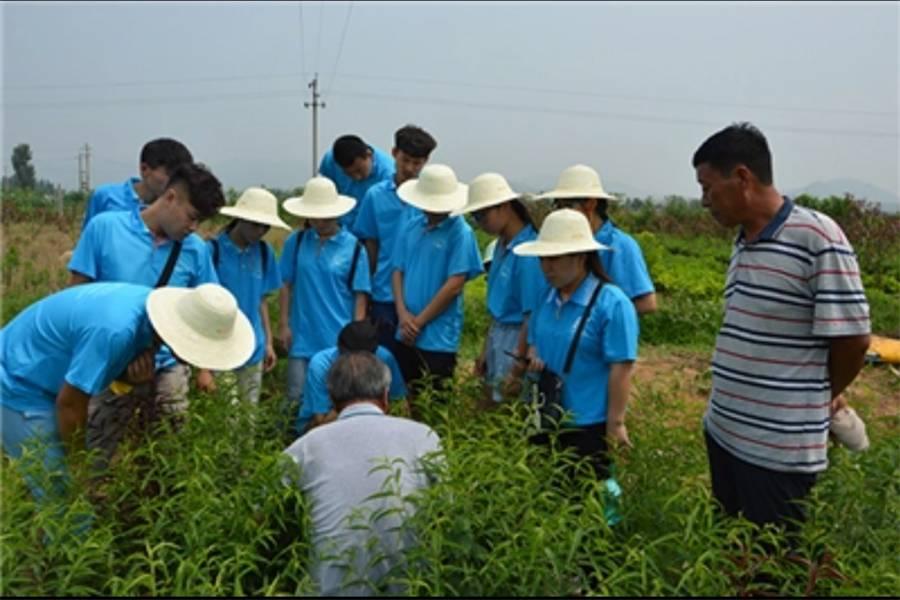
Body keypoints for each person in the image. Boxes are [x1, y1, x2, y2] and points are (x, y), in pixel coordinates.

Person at [692, 122, 871, 534]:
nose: (704, 201)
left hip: (776, 450)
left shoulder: (817, 237)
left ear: (742, 178)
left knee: (776, 568)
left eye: (708, 188)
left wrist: (816, 396)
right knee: (734, 551)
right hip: (724, 430)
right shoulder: (743, 240)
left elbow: (853, 340)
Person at [0, 282, 254, 508]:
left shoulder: (148, 320)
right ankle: (42, 556)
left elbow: (95, 370)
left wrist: (127, 378)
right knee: (66, 501)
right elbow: (70, 404)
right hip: (19, 383)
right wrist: (80, 466)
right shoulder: (118, 330)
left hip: (48, 380)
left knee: (65, 492)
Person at [67, 162, 225, 458]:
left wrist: (204, 370)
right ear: (170, 198)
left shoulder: (195, 250)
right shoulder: (105, 229)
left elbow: (206, 304)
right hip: (107, 365)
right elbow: (76, 296)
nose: (193, 228)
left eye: (199, 222)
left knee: (168, 454)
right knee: (102, 450)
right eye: (191, 217)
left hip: (166, 367)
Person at [282, 352, 442, 596]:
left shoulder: (304, 448)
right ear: (386, 396)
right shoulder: (424, 437)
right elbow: (449, 510)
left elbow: (263, 515)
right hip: (411, 587)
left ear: (332, 400)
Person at [515, 209, 639, 481]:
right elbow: (535, 338)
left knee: (591, 504)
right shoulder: (546, 298)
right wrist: (534, 355)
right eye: (543, 258)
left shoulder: (612, 304)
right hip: (547, 418)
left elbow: (622, 367)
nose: (547, 267)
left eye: (555, 258)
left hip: (588, 424)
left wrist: (615, 423)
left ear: (581, 256)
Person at [279, 177, 371, 433]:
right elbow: (286, 284)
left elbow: (359, 296)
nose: (318, 221)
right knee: (295, 396)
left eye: (324, 216)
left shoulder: (353, 249)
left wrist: (356, 341)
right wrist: (284, 324)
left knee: (333, 402)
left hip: (336, 340)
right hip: (302, 335)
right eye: (314, 215)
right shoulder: (296, 243)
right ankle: (291, 447)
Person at [451, 173, 546, 408]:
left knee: (510, 407)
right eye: (475, 217)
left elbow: (530, 315)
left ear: (504, 207)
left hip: (516, 340)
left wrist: (518, 365)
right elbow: (496, 310)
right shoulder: (501, 247)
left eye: (482, 215)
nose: (480, 222)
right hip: (498, 335)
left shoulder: (528, 252)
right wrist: (485, 351)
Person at [391, 164, 483, 405]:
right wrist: (402, 315)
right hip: (406, 328)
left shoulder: (459, 232)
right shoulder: (412, 227)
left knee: (436, 399)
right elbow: (397, 271)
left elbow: (455, 284)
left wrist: (418, 322)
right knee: (412, 395)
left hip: (438, 335)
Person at [352, 125, 438, 350]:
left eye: (417, 163)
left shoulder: (432, 199)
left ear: (426, 162)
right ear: (394, 153)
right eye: (405, 160)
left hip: (422, 296)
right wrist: (367, 291)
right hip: (384, 295)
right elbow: (371, 245)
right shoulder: (375, 196)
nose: (410, 168)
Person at [538, 165, 657, 315]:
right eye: (558, 206)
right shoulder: (561, 244)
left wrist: (598, 319)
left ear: (591, 204)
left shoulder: (620, 246)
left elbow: (647, 303)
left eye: (567, 206)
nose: (562, 213)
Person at [207, 187, 288, 404]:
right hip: (220, 344)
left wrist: (269, 342)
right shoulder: (213, 250)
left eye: (265, 226)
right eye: (255, 224)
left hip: (254, 344)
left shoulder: (263, 252)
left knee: (249, 415)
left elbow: (261, 300)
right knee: (227, 414)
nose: (260, 231)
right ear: (240, 219)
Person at [297, 320, 407, 434]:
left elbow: (400, 403)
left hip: (371, 418)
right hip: (320, 424)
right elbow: (321, 422)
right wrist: (358, 398)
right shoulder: (320, 365)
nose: (355, 364)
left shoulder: (385, 358)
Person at [81, 138, 193, 230]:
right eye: (170, 174)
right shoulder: (105, 196)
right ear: (144, 169)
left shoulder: (173, 208)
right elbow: (87, 239)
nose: (175, 183)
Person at [318, 134, 395, 229]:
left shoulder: (388, 174)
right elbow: (323, 194)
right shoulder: (330, 160)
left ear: (369, 155)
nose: (356, 177)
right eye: (349, 174)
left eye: (359, 170)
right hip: (338, 227)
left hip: (369, 229)